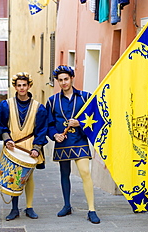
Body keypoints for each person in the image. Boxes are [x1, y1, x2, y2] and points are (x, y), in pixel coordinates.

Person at [46, 65, 100, 224]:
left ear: (71, 79)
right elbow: (49, 124)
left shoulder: (85, 97)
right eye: (60, 80)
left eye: (66, 79)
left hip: (79, 140)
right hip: (62, 142)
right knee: (64, 174)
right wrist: (54, 135)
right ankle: (67, 205)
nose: (63, 83)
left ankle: (92, 209)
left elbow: (95, 117)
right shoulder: (52, 100)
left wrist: (80, 123)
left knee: (85, 172)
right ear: (57, 81)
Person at [0, 72, 47, 221]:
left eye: (24, 85)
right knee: (13, 177)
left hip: (29, 147)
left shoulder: (39, 108)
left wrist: (37, 148)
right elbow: (0, 123)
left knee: (28, 177)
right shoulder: (6, 105)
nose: (22, 88)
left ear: (29, 86)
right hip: (13, 145)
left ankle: (29, 207)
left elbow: (41, 129)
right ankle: (14, 209)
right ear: (15, 87)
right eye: (19, 85)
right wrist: (6, 139)